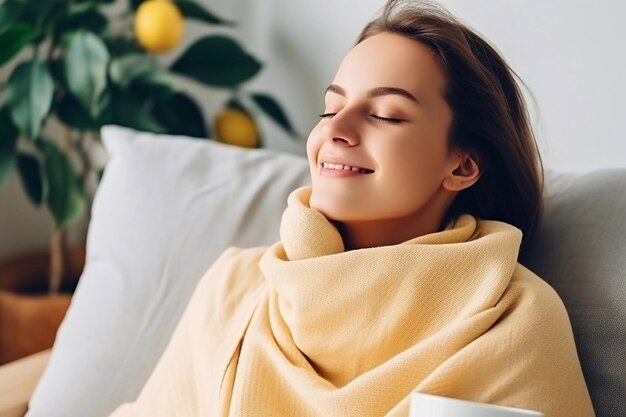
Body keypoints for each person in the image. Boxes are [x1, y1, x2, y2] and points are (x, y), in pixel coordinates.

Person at [109, 1, 594, 416]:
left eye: (385, 114)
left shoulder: (514, 319)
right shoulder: (233, 287)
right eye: (329, 107)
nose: (335, 129)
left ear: (463, 165)